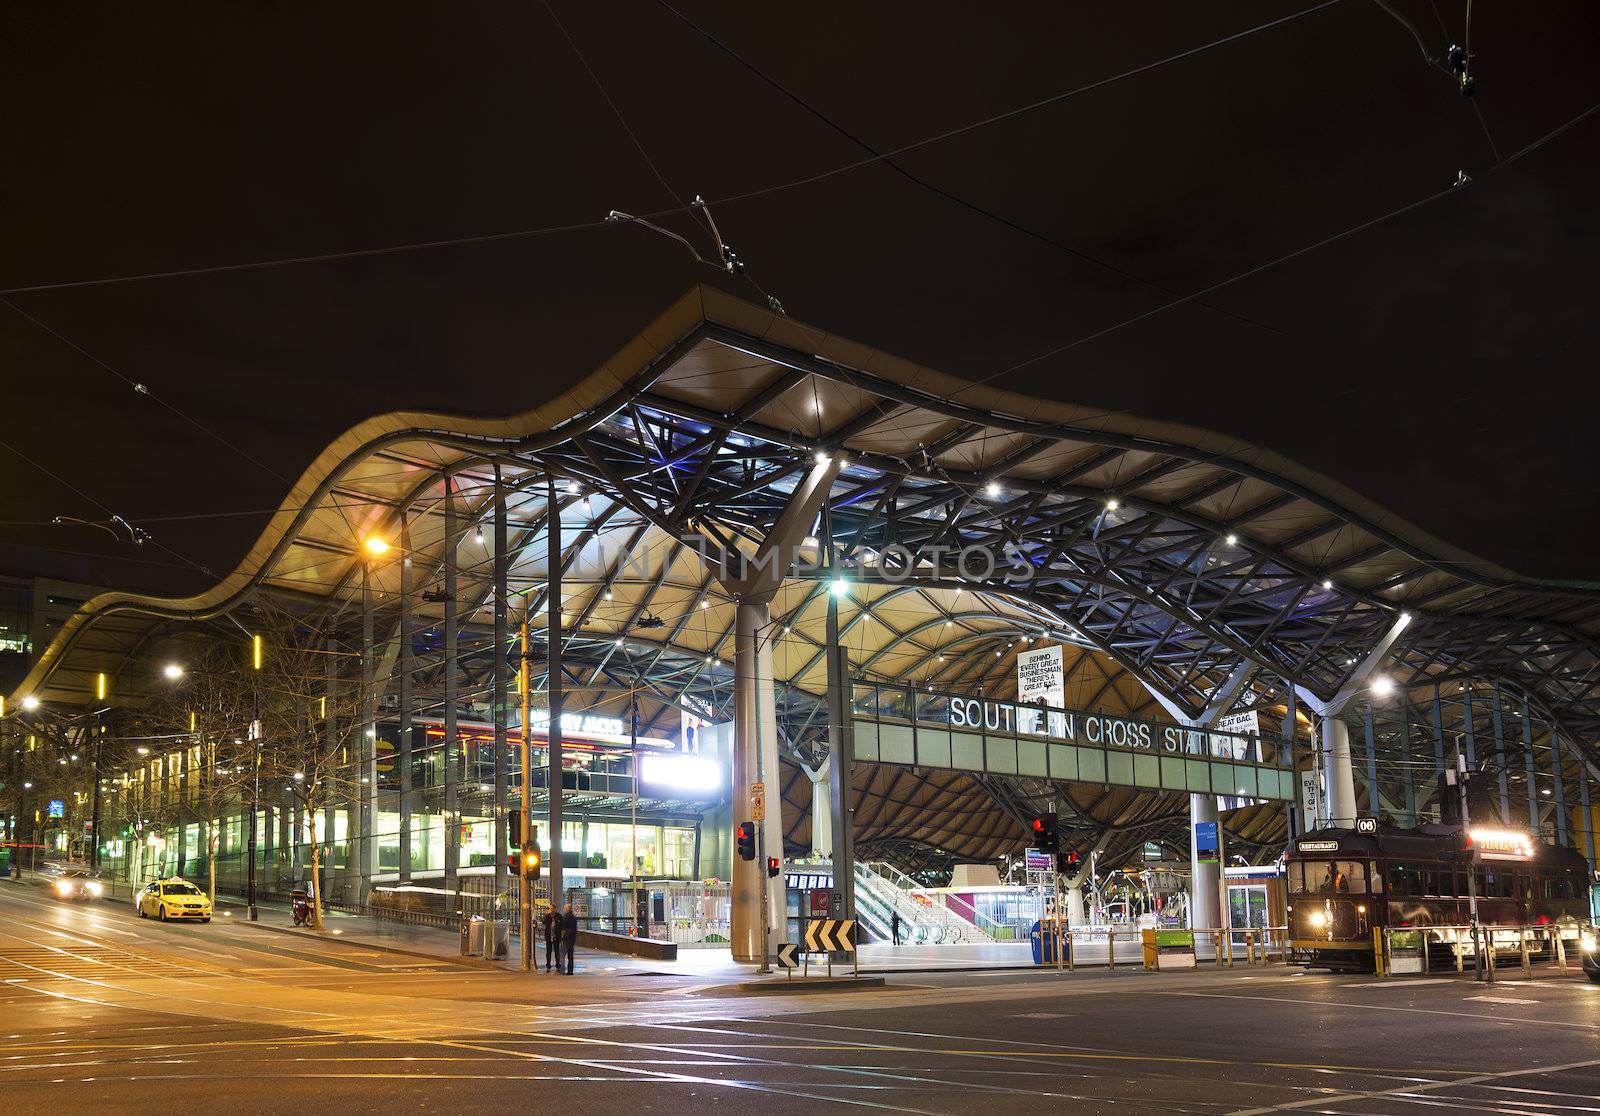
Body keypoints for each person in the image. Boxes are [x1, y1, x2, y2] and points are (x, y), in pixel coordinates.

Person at [560, 903, 578, 974]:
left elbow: (562, 927)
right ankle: (570, 971)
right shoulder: (573, 917)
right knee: (570, 956)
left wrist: (562, 936)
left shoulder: (566, 916)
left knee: (562, 954)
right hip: (572, 939)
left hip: (566, 938)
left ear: (567, 909)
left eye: (565, 908)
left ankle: (562, 969)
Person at [541, 908, 558, 972]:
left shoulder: (558, 916)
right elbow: (543, 922)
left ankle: (558, 964)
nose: (552, 910)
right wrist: (546, 915)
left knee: (557, 951)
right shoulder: (547, 916)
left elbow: (561, 925)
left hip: (555, 936)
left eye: (552, 909)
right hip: (548, 936)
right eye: (550, 909)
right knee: (548, 951)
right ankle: (548, 964)